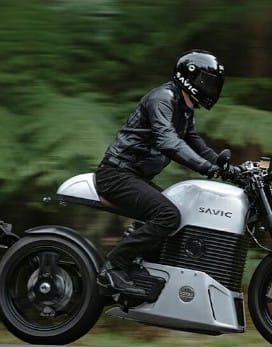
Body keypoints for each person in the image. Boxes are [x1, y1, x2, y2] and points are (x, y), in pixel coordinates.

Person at [95, 49, 232, 297]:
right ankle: (113, 266)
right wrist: (206, 168)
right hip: (115, 174)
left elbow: (195, 143)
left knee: (180, 214)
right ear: (188, 77)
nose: (210, 88)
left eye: (213, 83)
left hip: (134, 177)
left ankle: (137, 266)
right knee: (168, 215)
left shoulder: (185, 108)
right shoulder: (163, 98)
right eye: (206, 81)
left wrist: (227, 169)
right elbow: (167, 141)